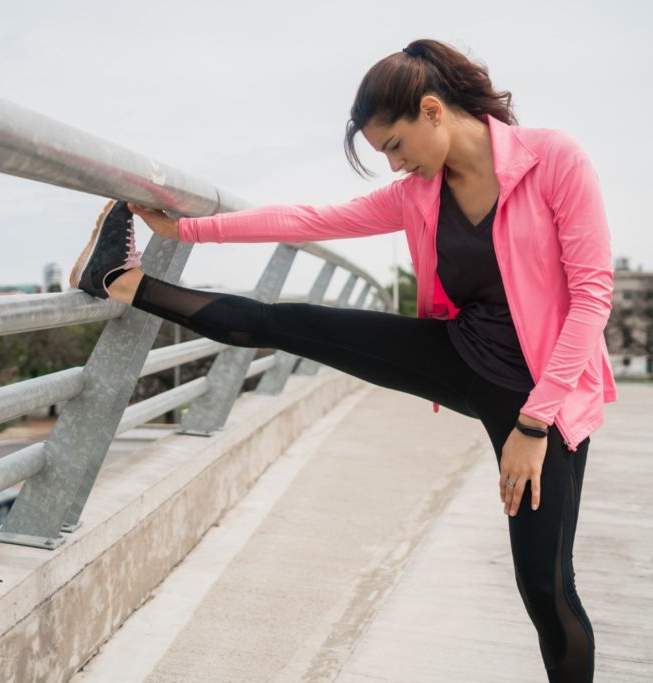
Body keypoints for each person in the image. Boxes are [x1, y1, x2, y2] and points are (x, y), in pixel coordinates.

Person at [69, 38, 615, 682]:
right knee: (290, 323)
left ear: (433, 112)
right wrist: (183, 229)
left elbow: (591, 297)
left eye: (394, 146)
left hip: (543, 400)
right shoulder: (419, 193)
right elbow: (309, 218)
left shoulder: (553, 159)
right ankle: (118, 280)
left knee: (546, 589)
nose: (393, 165)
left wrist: (532, 426)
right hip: (458, 353)